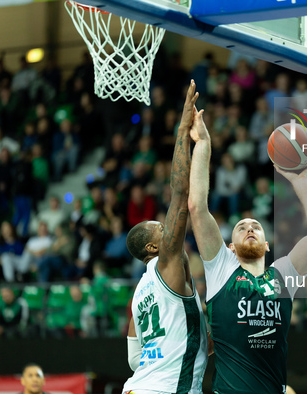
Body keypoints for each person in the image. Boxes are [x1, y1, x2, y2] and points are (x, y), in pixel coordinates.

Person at [187, 100, 307, 393]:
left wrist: (300, 181)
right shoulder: (221, 269)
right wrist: (203, 144)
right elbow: (197, 207)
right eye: (242, 227)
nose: (250, 228)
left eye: (256, 227)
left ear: (267, 246)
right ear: (230, 247)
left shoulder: (282, 276)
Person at [122, 81, 208, 394]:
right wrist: (183, 130)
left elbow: (135, 359)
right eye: (161, 228)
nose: (167, 227)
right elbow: (180, 192)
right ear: (153, 247)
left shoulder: (139, 294)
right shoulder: (167, 261)